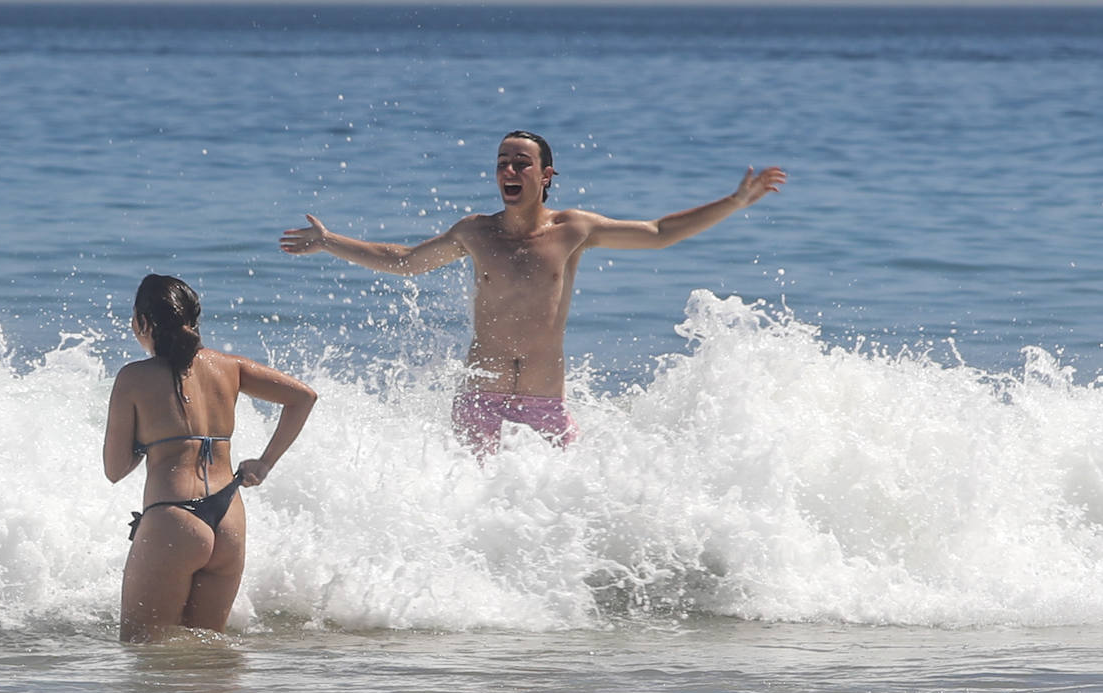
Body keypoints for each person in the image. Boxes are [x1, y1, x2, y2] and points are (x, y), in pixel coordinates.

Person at [280, 130, 785, 457]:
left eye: (521, 163)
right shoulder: (476, 232)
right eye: (502, 162)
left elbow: (657, 232)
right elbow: (405, 262)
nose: (508, 171)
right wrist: (330, 242)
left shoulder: (574, 229)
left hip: (546, 404)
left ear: (545, 177)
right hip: (480, 400)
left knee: (572, 509)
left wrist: (735, 202)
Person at [103, 274, 316, 642]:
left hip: (174, 518)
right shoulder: (229, 367)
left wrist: (150, 439)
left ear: (142, 322)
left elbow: (115, 469)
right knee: (207, 652)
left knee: (143, 648)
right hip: (229, 519)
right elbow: (303, 397)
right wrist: (264, 463)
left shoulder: (133, 378)